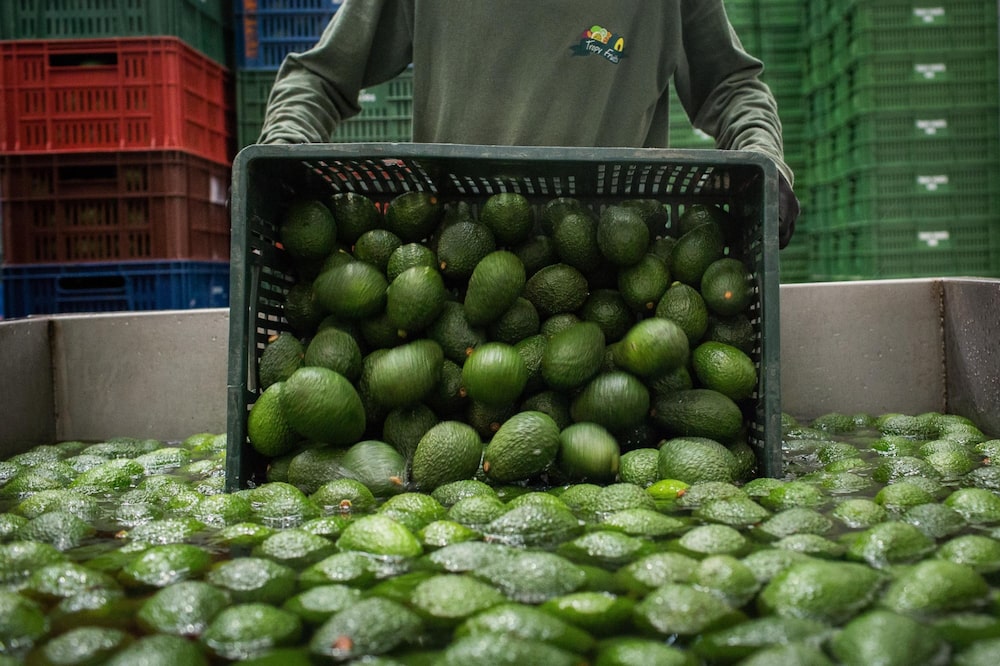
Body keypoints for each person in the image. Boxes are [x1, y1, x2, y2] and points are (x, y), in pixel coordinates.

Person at [258, 0, 799, 247]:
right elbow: (319, 78)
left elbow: (731, 86)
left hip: (618, 291)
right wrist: (280, 153)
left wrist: (763, 158)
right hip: (452, 292)